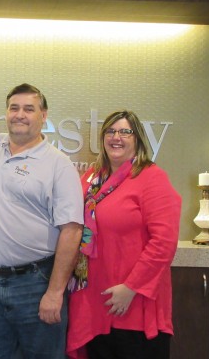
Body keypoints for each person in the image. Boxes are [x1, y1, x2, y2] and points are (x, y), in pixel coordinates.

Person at [0, 83, 84, 359]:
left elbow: (72, 231)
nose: (20, 114)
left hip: (36, 284)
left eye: (29, 109)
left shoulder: (58, 164)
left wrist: (55, 292)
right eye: (14, 108)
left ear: (44, 116)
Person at [66, 110, 181, 359]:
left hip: (133, 307)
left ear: (137, 139)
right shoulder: (91, 179)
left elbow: (164, 242)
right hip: (94, 305)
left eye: (125, 132)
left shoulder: (151, 177)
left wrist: (132, 287)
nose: (116, 137)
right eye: (110, 131)